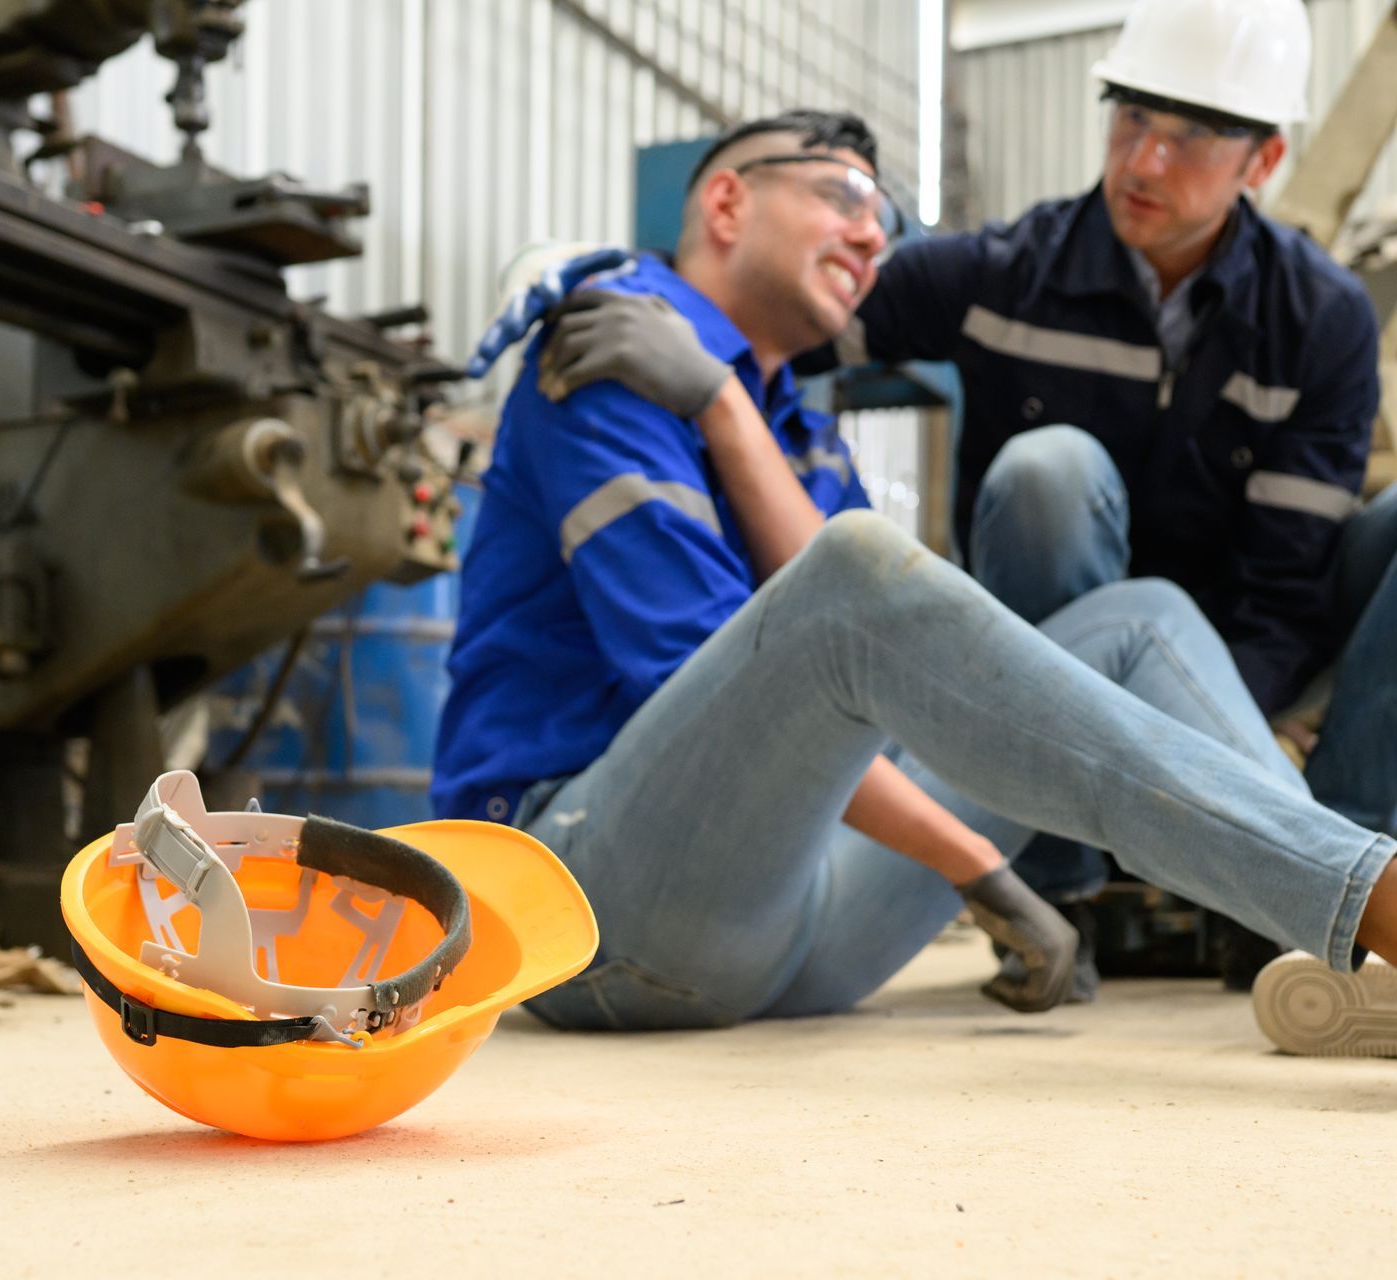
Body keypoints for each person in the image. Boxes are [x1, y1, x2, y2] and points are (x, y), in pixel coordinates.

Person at [429, 108, 1397, 1050]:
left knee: (1139, 619)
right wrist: (974, 862)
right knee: (860, 567)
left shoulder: (792, 431)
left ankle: (1332, 936)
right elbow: (715, 661)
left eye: (883, 218)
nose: (869, 233)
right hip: (594, 909)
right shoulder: (613, 348)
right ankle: (1377, 901)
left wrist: (727, 403)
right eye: (842, 194)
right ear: (727, 203)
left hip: (787, 923)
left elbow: (857, 688)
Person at [797, 0, 1397, 884]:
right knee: (1051, 472)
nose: (1144, 160)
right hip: (1058, 656)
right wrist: (647, 310)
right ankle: (1060, 868)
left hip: (1236, 659)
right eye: (1133, 118)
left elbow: (1286, 586)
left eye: (1192, 137)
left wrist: (1217, 754)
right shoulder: (1004, 276)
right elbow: (785, 326)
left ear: (1264, 160)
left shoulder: (1320, 321)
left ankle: (1344, 868)